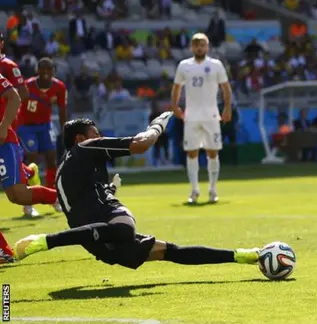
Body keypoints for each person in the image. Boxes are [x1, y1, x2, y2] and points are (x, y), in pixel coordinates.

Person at [13, 114, 262, 270]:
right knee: (125, 228)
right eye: (95, 133)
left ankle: (243, 256)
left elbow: (81, 204)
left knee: (170, 251)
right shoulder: (88, 148)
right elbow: (141, 144)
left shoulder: (64, 170)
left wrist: (109, 189)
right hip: (109, 224)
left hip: (100, 246)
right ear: (81, 138)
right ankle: (47, 241)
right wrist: (156, 127)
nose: (99, 137)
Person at [171, 33, 233, 204]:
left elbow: (225, 87)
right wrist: (175, 105)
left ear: (207, 47)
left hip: (211, 114)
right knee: (192, 153)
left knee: (213, 152)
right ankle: (194, 190)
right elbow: (177, 87)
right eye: (197, 45)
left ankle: (213, 190)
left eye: (203, 45)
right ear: (192, 47)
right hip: (191, 115)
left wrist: (227, 107)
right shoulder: (184, 66)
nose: (200, 48)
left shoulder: (215, 65)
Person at [0, 74, 58, 214]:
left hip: (3, 140)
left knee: (18, 196)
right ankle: (29, 172)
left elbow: (15, 97)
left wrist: (2, 128)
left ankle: (62, 198)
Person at [18, 58, 67, 190]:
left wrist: (64, 130)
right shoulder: (27, 86)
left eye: (49, 69)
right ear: (37, 71)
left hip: (46, 125)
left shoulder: (59, 87)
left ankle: (52, 193)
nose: (46, 72)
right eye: (42, 69)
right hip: (26, 126)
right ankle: (29, 196)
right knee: (33, 158)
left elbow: (62, 110)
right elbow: (15, 104)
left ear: (54, 71)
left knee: (51, 157)